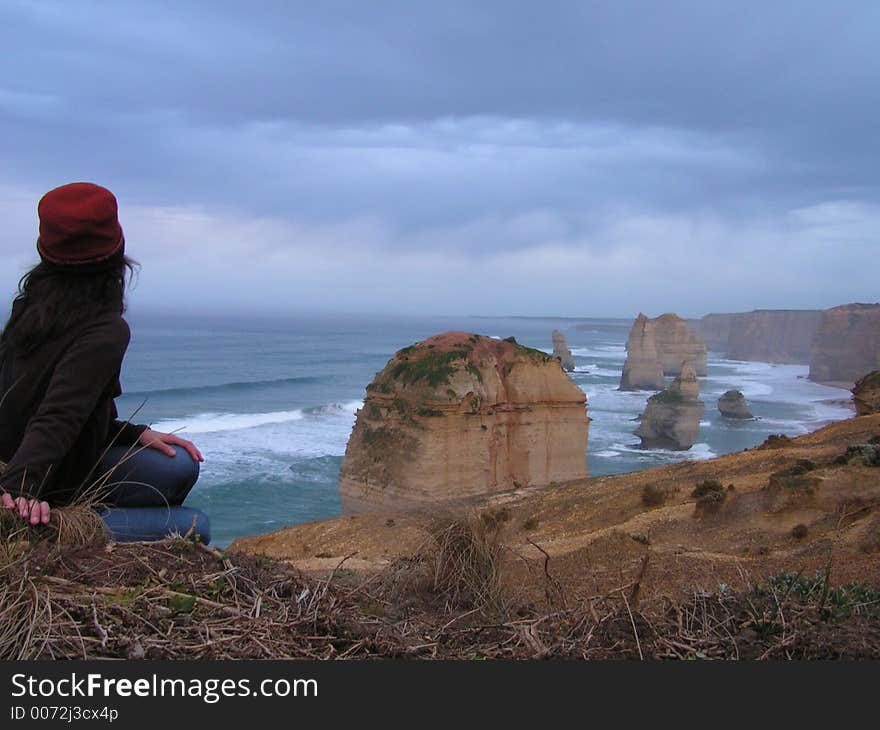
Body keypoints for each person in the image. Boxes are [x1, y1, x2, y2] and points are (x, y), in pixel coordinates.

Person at [0, 182, 210, 543]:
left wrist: (132, 432)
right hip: (43, 479)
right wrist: (19, 490)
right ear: (117, 251)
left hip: (33, 456)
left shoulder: (32, 304)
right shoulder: (106, 330)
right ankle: (58, 529)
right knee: (195, 525)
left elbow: (53, 402)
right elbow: (58, 417)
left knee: (180, 466)